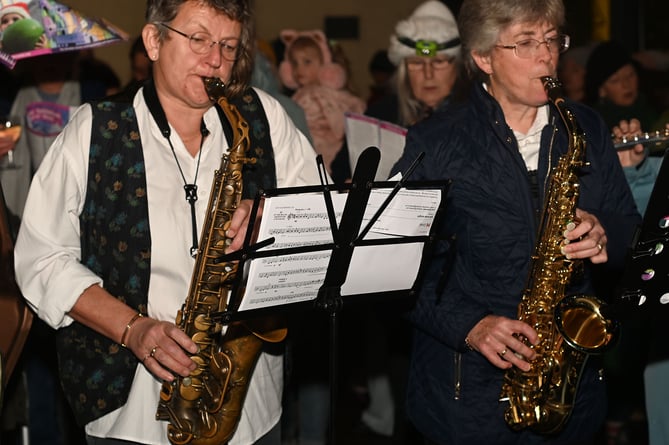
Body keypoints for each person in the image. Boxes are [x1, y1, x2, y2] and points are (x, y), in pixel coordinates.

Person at [13, 2, 321, 445]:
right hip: (127, 405)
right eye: (198, 39)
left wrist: (272, 216)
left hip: (250, 403)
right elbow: (41, 259)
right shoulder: (93, 130)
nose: (215, 60)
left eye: (228, 46)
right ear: (154, 40)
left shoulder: (264, 116)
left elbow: (320, 214)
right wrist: (133, 328)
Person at [389, 0, 641, 443]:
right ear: (483, 58)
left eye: (550, 40)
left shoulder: (586, 127)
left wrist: (605, 234)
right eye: (525, 43)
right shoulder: (435, 143)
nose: (546, 56)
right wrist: (470, 324)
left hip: (572, 398)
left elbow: (629, 229)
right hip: (467, 401)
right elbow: (396, 270)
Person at [278, 29, 365, 175]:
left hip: (326, 159)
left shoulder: (323, 95)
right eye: (294, 63)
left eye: (307, 62)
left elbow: (348, 121)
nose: (299, 69)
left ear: (325, 65)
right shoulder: (298, 95)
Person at [585, 40, 659, 132]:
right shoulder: (593, 125)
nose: (626, 85)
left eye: (630, 75)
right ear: (602, 90)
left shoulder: (655, 113)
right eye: (615, 80)